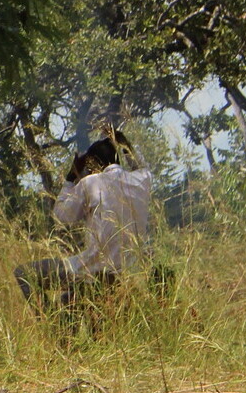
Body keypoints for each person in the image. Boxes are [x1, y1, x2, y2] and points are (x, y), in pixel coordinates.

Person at [14, 132, 153, 309]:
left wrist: (71, 177)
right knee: (67, 302)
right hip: (127, 273)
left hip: (92, 270)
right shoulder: (142, 180)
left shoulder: (90, 183)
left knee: (24, 273)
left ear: (92, 165)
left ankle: (48, 322)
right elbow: (140, 165)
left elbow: (61, 216)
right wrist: (124, 143)